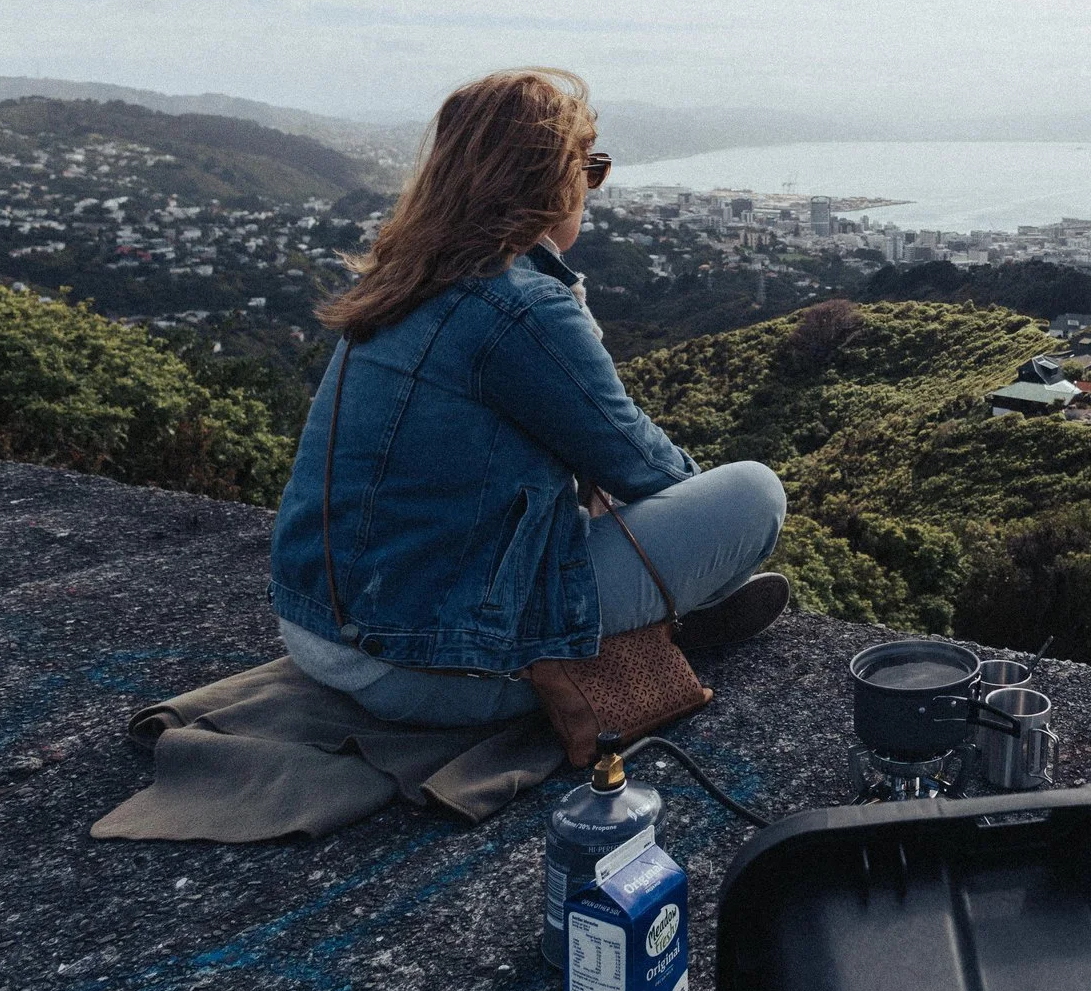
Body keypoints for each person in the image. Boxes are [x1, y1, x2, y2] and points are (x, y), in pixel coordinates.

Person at [268, 67, 788, 742]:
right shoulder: (517, 302)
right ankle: (644, 630)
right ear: (550, 178)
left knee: (584, 504)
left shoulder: (408, 274)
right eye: (589, 168)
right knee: (754, 494)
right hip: (420, 664)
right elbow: (641, 466)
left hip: (315, 628)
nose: (591, 188)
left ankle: (658, 618)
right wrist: (702, 540)